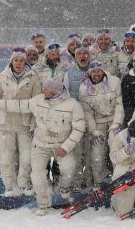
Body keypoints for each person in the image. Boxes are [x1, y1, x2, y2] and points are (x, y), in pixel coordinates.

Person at [19, 77, 87, 216]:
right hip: (40, 144)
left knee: (69, 168)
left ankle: (64, 187)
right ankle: (43, 204)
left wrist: (65, 147)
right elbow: (18, 105)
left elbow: (79, 129)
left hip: (61, 145)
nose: (43, 90)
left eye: (46, 88)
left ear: (55, 91)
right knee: (37, 175)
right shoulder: (38, 100)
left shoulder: (72, 105)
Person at [0, 48, 42, 197]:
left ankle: (24, 183)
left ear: (25, 61)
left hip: (25, 125)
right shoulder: (2, 77)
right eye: (16, 60)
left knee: (26, 158)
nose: (19, 63)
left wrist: (34, 125)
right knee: (7, 158)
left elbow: (37, 103)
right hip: (4, 124)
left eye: (21, 60)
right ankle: (9, 186)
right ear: (11, 61)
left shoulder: (33, 77)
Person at [79, 61, 124, 185]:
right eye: (93, 72)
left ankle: (119, 177)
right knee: (97, 155)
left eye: (98, 71)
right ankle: (100, 181)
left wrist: (117, 123)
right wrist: (94, 130)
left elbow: (119, 104)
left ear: (103, 71)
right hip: (98, 123)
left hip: (113, 121)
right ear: (89, 73)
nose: (96, 74)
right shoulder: (84, 88)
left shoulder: (114, 82)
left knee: (116, 149)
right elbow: (87, 112)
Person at [62, 46, 94, 189]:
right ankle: (76, 183)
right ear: (75, 57)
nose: (82, 56)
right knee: (77, 152)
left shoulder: (96, 71)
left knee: (91, 153)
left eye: (85, 53)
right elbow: (64, 96)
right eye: (79, 54)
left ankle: (89, 182)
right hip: (75, 119)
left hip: (92, 118)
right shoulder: (69, 73)